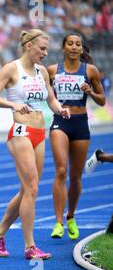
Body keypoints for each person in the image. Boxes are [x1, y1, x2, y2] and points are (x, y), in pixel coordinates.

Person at [0, 29, 70, 260]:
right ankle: (29, 246)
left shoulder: (42, 71)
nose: (45, 53)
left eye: (46, 49)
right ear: (28, 45)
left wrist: (59, 108)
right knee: (32, 188)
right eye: (42, 48)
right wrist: (12, 106)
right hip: (20, 132)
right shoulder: (12, 68)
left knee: (27, 190)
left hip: (39, 132)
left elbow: (50, 98)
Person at [47, 33, 106, 240]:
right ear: (63, 48)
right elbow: (46, 96)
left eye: (77, 44)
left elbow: (102, 100)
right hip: (60, 122)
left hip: (81, 125)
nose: (73, 47)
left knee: (75, 177)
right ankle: (58, 222)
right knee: (61, 170)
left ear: (81, 49)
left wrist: (90, 91)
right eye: (70, 44)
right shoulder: (52, 71)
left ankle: (71, 216)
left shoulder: (90, 71)